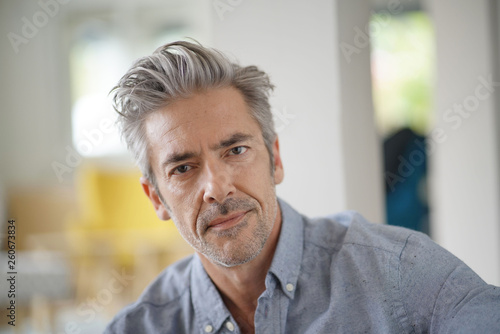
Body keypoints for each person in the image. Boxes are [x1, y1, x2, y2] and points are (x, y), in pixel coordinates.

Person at [104, 41, 500, 334]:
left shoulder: (398, 271)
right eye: (184, 168)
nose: (216, 188)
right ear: (156, 197)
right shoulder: (139, 327)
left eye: (236, 150)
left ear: (275, 159)